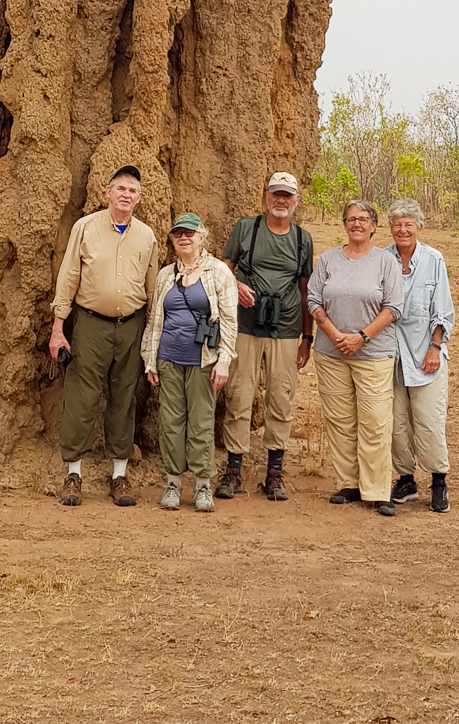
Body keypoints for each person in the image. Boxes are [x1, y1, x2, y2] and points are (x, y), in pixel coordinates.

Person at [49, 165, 158, 507]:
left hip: (132, 325)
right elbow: (68, 278)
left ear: (139, 198)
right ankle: (73, 474)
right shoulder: (86, 228)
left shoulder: (147, 236)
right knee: (82, 395)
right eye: (121, 188)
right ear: (107, 192)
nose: (126, 195)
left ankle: (119, 476)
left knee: (124, 397)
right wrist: (57, 329)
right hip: (91, 324)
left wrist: (153, 335)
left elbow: (153, 289)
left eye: (133, 191)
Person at [215, 172, 315, 502]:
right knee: (240, 394)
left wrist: (307, 337)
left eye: (287, 195)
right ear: (266, 196)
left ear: (296, 200)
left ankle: (274, 472)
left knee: (281, 398)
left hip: (285, 329)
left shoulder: (302, 239)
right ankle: (233, 470)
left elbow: (305, 290)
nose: (281, 200)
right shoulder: (247, 228)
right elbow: (222, 270)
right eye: (276, 194)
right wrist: (237, 286)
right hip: (245, 325)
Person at [307, 200, 404, 517]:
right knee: (341, 421)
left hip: (373, 353)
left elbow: (393, 307)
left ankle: (377, 491)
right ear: (344, 224)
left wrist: (361, 336)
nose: (357, 224)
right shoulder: (329, 259)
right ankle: (349, 483)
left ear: (374, 226)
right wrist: (334, 333)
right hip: (330, 351)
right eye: (351, 219)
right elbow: (313, 299)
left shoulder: (385, 262)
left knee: (375, 422)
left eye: (363, 219)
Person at [141, 212, 238, 512]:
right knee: (171, 422)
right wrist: (150, 359)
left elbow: (230, 321)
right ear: (172, 240)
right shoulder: (166, 274)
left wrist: (223, 361)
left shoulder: (218, 272)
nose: (184, 238)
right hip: (169, 358)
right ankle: (172, 483)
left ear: (202, 237)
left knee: (200, 422)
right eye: (178, 233)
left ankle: (202, 486)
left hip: (204, 361)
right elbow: (155, 320)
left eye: (190, 233)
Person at [386, 198, 454, 513]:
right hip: (390, 352)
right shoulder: (382, 258)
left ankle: (439, 481)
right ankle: (406, 480)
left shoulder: (433, 259)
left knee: (428, 419)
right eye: (397, 224)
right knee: (397, 421)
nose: (403, 230)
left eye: (408, 224)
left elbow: (442, 309)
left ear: (419, 227)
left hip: (426, 351)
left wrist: (434, 347)